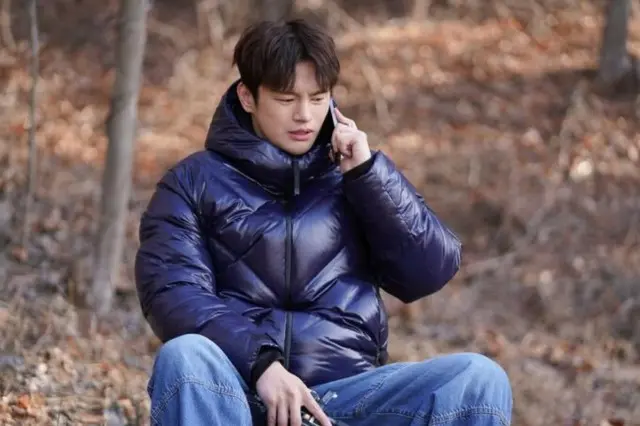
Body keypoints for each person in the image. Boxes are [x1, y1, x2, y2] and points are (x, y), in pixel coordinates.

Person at [134, 18, 512, 426]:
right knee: (185, 356)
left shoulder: (355, 178)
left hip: (347, 399)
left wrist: (368, 177)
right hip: (237, 394)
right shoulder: (191, 183)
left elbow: (429, 272)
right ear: (247, 96)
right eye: (285, 99)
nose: (304, 116)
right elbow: (174, 293)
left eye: (317, 99)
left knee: (479, 380)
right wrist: (261, 364)